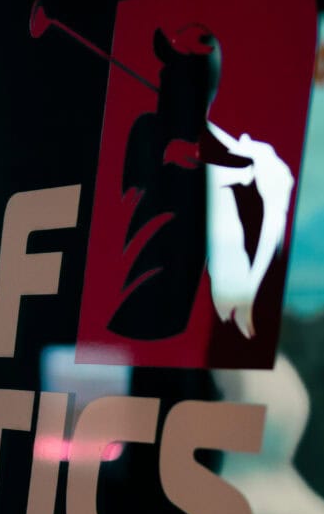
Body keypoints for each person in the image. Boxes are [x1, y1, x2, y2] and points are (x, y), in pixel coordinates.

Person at [108, 23, 293, 345]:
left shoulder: (228, 155)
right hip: (132, 305)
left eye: (173, 69)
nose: (162, 75)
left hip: (173, 319)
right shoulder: (147, 130)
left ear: (193, 83)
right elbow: (126, 193)